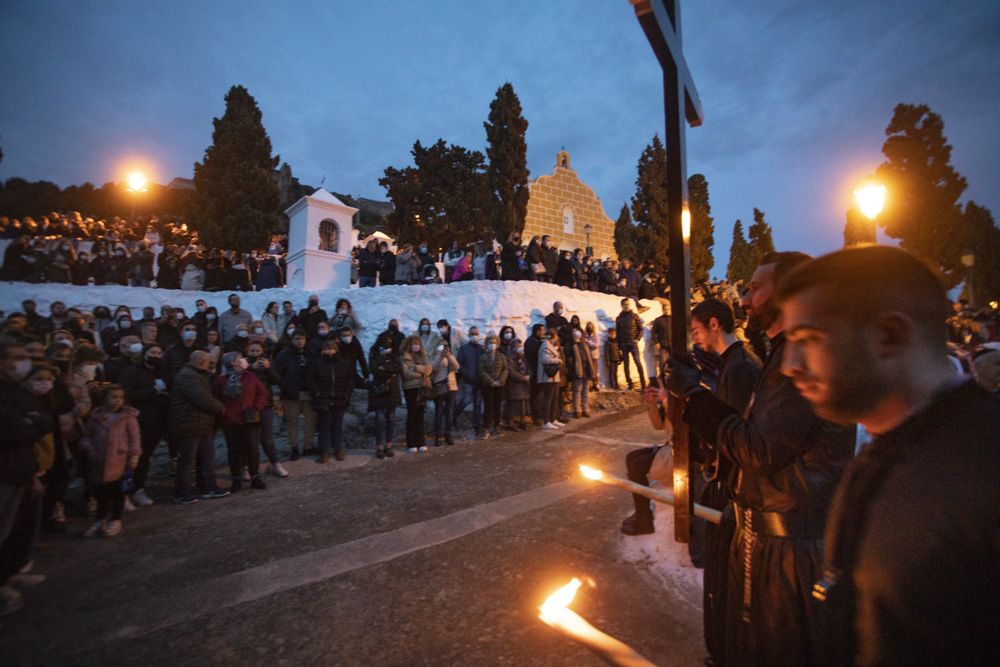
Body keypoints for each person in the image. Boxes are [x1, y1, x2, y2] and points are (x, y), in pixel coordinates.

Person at [775, 245, 1000, 666]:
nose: (790, 364)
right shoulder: (882, 452)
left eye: (809, 339)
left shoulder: (985, 474)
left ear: (889, 336)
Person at [668, 251, 856, 667]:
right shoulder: (780, 354)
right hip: (764, 537)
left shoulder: (804, 356)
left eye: (755, 287)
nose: (745, 298)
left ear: (789, 291)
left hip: (789, 550)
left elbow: (758, 449)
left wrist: (695, 397)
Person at [0, 341, 51, 616]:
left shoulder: (17, 391)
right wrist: (30, 425)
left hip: (21, 467)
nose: (21, 363)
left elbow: (44, 419)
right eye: (16, 357)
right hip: (5, 470)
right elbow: (10, 430)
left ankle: (9, 574)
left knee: (15, 527)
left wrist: (31, 424)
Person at [78, 385, 140, 537]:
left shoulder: (128, 417)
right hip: (99, 460)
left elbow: (134, 438)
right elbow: (87, 435)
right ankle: (100, 519)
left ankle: (115, 519)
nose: (118, 401)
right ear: (104, 398)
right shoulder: (95, 416)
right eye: (114, 397)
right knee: (101, 493)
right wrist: (89, 448)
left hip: (119, 460)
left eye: (120, 397)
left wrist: (134, 455)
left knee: (118, 492)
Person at [169, 350, 229, 504]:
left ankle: (208, 486)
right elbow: (202, 398)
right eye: (210, 362)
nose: (212, 366)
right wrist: (221, 408)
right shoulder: (188, 376)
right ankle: (182, 491)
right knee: (188, 459)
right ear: (203, 362)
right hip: (190, 423)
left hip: (200, 423)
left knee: (206, 457)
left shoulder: (195, 375)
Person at [118, 344, 170, 507]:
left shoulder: (161, 373)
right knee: (131, 459)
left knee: (144, 458)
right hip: (137, 421)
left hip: (156, 421)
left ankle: (138, 489)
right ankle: (124, 493)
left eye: (159, 352)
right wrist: (152, 392)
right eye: (152, 352)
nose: (156, 355)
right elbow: (127, 394)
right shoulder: (132, 372)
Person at [213, 352, 269, 490]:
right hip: (231, 420)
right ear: (232, 362)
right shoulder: (221, 380)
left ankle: (255, 476)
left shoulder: (250, 376)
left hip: (250, 419)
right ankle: (236, 478)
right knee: (234, 450)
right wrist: (224, 412)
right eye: (239, 358)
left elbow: (262, 392)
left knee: (252, 449)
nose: (243, 360)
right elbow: (215, 398)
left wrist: (256, 408)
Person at [306, 340, 356, 463]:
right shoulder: (317, 363)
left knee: (338, 425)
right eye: (326, 348)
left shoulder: (344, 363)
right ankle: (324, 451)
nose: (329, 350)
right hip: (323, 399)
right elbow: (310, 379)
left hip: (340, 398)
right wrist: (317, 393)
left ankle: (338, 448)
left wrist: (346, 394)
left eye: (331, 348)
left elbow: (350, 380)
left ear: (336, 350)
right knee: (324, 426)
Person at [245, 341, 288, 478]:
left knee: (267, 437)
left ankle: (276, 464)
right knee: (250, 439)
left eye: (257, 350)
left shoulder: (267, 362)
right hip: (249, 406)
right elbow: (242, 381)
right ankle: (246, 467)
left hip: (266, 404)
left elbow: (277, 380)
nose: (255, 353)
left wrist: (269, 368)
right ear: (247, 351)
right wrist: (251, 368)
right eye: (252, 350)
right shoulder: (244, 363)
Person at [274, 331, 315, 461]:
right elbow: (277, 375)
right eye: (297, 339)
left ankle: (308, 446)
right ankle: (294, 447)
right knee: (292, 421)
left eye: (303, 338)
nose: (300, 341)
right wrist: (285, 386)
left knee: (311, 420)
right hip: (291, 393)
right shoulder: (284, 355)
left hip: (309, 392)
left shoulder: (310, 353)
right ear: (292, 340)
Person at [368, 338, 402, 458]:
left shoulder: (394, 356)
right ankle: (379, 446)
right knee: (379, 419)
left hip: (392, 390)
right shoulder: (374, 356)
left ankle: (388, 444)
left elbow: (398, 369)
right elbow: (374, 370)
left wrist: (384, 368)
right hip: (379, 390)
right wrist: (389, 370)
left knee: (391, 419)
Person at [400, 335, 433, 452]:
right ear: (409, 345)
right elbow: (406, 374)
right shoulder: (405, 356)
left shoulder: (424, 355)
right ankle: (411, 442)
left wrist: (415, 368)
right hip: (411, 389)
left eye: (418, 344)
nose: (416, 346)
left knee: (420, 415)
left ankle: (421, 441)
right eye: (414, 344)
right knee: (412, 415)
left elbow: (429, 369)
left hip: (422, 388)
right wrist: (421, 373)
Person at [454, 327, 484, 438]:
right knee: (466, 400)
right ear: (469, 335)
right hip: (468, 381)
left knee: (477, 403)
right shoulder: (463, 349)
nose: (474, 336)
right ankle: (454, 415)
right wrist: (467, 375)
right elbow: (459, 364)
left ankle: (477, 425)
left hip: (479, 381)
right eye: (472, 334)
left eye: (476, 333)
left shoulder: (482, 348)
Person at [429, 340, 459, 446]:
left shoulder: (451, 357)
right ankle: (438, 436)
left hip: (451, 387)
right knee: (438, 412)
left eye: (445, 346)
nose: (443, 348)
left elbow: (456, 367)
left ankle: (448, 435)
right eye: (441, 346)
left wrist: (449, 356)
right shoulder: (434, 356)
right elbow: (433, 368)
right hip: (439, 387)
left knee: (449, 412)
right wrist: (439, 356)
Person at [478, 334, 509, 438]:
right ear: (487, 344)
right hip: (488, 386)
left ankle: (496, 426)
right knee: (488, 407)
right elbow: (481, 371)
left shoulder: (501, 356)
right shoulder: (482, 357)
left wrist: (500, 381)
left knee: (498, 406)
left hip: (500, 385)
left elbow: (505, 369)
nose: (492, 345)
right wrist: (491, 382)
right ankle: (486, 428)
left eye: (494, 343)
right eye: (490, 343)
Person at [615, 299, 646, 390]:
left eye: (628, 304)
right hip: (623, 343)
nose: (627, 306)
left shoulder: (635, 316)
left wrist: (637, 339)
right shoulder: (619, 318)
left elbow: (641, 329)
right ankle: (630, 384)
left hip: (633, 342)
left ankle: (643, 383)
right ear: (622, 305)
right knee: (626, 365)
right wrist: (619, 346)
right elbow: (618, 332)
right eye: (625, 304)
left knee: (637, 362)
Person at [536, 329, 564, 429]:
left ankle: (553, 419)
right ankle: (546, 421)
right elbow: (545, 359)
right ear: (552, 337)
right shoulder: (545, 345)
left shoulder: (549, 345)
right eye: (555, 337)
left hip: (553, 376)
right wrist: (557, 360)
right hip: (547, 377)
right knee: (548, 399)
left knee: (554, 398)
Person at [567, 327, 596, 418]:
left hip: (586, 369)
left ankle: (585, 409)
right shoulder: (571, 345)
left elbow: (589, 356)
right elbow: (569, 359)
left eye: (578, 332)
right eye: (575, 332)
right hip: (577, 370)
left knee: (585, 390)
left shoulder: (584, 344)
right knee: (577, 390)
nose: (577, 333)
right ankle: (577, 410)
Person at [503, 338, 531, 429]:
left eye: (520, 346)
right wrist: (523, 378)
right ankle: (510, 422)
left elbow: (528, 367)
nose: (519, 348)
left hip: (524, 384)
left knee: (523, 403)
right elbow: (510, 371)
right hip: (514, 384)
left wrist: (529, 375)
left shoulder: (523, 357)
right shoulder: (509, 357)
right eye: (517, 346)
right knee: (512, 403)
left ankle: (522, 421)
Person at [583, 322, 601, 392]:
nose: (589, 328)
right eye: (588, 326)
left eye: (590, 326)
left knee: (594, 371)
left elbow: (596, 345)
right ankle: (589, 385)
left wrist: (588, 342)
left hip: (594, 356)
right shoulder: (585, 335)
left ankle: (595, 384)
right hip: (587, 356)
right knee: (588, 372)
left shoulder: (596, 335)